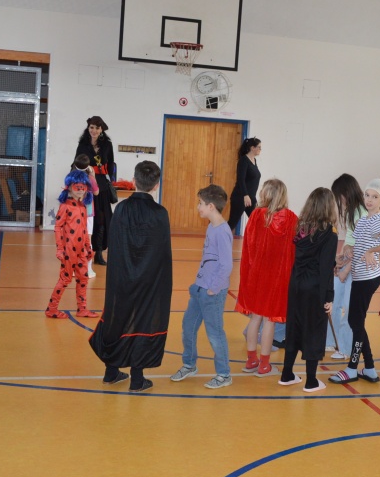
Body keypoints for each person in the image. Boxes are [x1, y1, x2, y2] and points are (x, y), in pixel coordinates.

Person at [89, 161, 171, 393]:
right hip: (148, 280)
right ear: (156, 185)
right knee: (143, 320)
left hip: (122, 276)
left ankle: (111, 371)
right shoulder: (160, 214)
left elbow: (114, 244)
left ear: (134, 181)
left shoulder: (122, 209)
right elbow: (162, 254)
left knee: (118, 317)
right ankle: (137, 379)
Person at [329, 179, 380, 384]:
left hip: (367, 277)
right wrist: (343, 258)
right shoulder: (364, 220)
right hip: (359, 275)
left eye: (375, 197)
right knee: (356, 322)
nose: (369, 200)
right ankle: (370, 368)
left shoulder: (378, 220)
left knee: (355, 322)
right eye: (367, 195)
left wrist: (371, 251)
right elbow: (357, 246)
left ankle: (352, 369)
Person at [171, 185, 234, 389]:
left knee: (215, 334)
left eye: (200, 203)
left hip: (212, 293)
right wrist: (198, 284)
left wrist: (213, 289)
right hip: (199, 289)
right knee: (188, 327)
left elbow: (226, 265)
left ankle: (224, 374)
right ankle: (189, 365)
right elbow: (208, 259)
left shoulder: (222, 231)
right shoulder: (211, 227)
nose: (198, 207)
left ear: (211, 206)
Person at [235, 178, 298, 377]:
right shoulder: (291, 218)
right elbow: (296, 248)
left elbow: (248, 245)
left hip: (256, 275)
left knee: (255, 318)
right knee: (270, 321)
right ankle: (264, 365)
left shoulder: (256, 215)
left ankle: (251, 360)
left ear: (265, 194)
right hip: (277, 277)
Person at [278, 187, 338, 393]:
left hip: (296, 283)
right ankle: (311, 381)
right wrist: (329, 297)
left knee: (294, 327)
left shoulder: (301, 228)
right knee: (314, 330)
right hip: (315, 288)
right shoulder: (329, 234)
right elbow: (325, 270)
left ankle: (287, 374)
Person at [45, 170, 97, 320]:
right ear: (69, 187)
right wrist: (60, 248)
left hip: (81, 251)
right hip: (69, 250)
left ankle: (82, 308)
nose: (80, 190)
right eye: (77, 186)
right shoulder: (65, 207)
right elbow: (58, 227)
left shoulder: (82, 207)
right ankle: (52, 309)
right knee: (65, 279)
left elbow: (84, 229)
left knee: (83, 278)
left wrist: (88, 247)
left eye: (83, 187)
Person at [326, 174, 366, 360]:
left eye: (338, 195)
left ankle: (345, 347)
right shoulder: (353, 211)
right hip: (349, 263)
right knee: (333, 301)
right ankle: (330, 341)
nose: (338, 200)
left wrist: (346, 270)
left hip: (357, 267)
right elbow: (350, 241)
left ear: (346, 193)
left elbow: (362, 246)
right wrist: (340, 260)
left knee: (350, 307)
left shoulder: (361, 212)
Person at [75, 116, 116, 265]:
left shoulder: (107, 145)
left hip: (102, 188)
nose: (94, 130)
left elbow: (111, 164)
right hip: (87, 187)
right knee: (86, 221)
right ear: (88, 128)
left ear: (101, 129)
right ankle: (83, 252)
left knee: (102, 220)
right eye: (91, 127)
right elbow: (76, 164)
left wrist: (110, 181)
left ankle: (98, 253)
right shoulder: (82, 145)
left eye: (97, 128)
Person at [71, 154, 101, 278]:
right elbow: (96, 192)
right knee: (87, 240)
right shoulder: (90, 178)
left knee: (74, 239)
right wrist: (93, 176)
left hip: (74, 211)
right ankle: (87, 269)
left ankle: (73, 269)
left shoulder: (71, 177)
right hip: (88, 212)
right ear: (88, 166)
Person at [227, 137, 262, 231]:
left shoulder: (254, 161)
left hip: (251, 198)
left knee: (257, 222)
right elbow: (241, 180)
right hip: (240, 197)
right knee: (232, 223)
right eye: (259, 147)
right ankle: (218, 238)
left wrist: (251, 197)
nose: (260, 149)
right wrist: (245, 195)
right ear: (252, 148)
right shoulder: (243, 160)